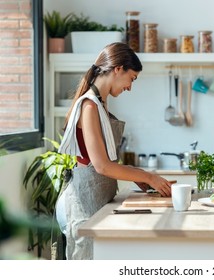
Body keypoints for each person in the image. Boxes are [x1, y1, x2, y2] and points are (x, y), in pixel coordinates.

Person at [56, 42, 172, 260]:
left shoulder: (100, 104)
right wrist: (147, 176)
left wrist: (138, 177)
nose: (130, 86)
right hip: (82, 203)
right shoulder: (89, 106)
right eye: (132, 78)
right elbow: (101, 165)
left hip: (96, 199)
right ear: (118, 69)